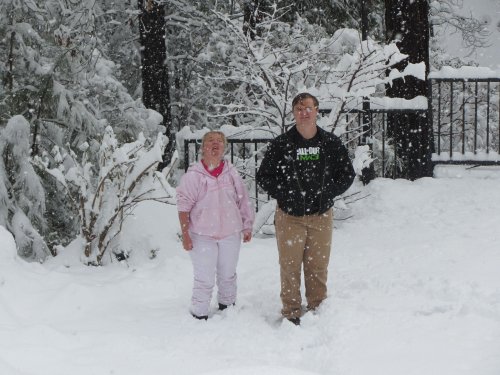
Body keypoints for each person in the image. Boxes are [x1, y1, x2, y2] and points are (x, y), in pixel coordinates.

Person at [256, 92, 355, 325]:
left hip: (321, 216)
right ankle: (291, 311)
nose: (304, 112)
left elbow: (347, 174)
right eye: (299, 109)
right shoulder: (282, 144)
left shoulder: (330, 143)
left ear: (317, 111)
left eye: (308, 108)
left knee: (318, 265)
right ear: (294, 113)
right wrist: (285, 193)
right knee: (290, 266)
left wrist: (328, 192)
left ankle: (318, 307)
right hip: (290, 217)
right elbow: (264, 176)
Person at [176, 131, 254, 320]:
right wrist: (185, 234)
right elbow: (183, 205)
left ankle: (227, 306)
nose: (215, 144)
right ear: (203, 147)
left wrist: (247, 225)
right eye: (211, 140)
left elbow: (242, 199)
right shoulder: (194, 175)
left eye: (220, 141)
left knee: (228, 274)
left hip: (230, 232)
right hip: (202, 235)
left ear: (224, 147)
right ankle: (199, 312)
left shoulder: (231, 172)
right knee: (204, 277)